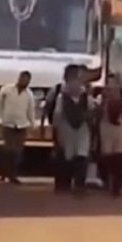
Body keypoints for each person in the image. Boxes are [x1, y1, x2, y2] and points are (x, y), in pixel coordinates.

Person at [52, 65, 94, 196]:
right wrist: (55, 132)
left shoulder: (86, 96)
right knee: (67, 156)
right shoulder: (60, 96)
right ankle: (64, 183)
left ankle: (79, 184)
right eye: (73, 77)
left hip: (82, 130)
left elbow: (92, 112)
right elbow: (57, 115)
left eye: (77, 77)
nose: (76, 81)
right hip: (66, 129)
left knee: (82, 155)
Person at [43, 64, 79, 192]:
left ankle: (68, 182)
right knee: (61, 154)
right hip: (61, 127)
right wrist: (52, 124)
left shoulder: (82, 90)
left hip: (76, 129)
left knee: (73, 155)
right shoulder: (57, 90)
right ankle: (61, 183)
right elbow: (48, 107)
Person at [0, 71, 35, 184]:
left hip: (21, 125)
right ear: (19, 78)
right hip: (8, 124)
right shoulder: (7, 90)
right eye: (23, 78)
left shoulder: (29, 94)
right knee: (7, 151)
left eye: (27, 80)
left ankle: (13, 175)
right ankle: (3, 173)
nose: (25, 81)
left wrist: (33, 124)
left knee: (17, 152)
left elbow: (30, 110)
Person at [97, 74, 122, 197]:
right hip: (106, 128)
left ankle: (117, 186)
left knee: (120, 156)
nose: (111, 86)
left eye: (114, 83)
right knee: (107, 156)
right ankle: (108, 181)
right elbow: (99, 112)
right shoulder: (102, 97)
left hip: (119, 129)